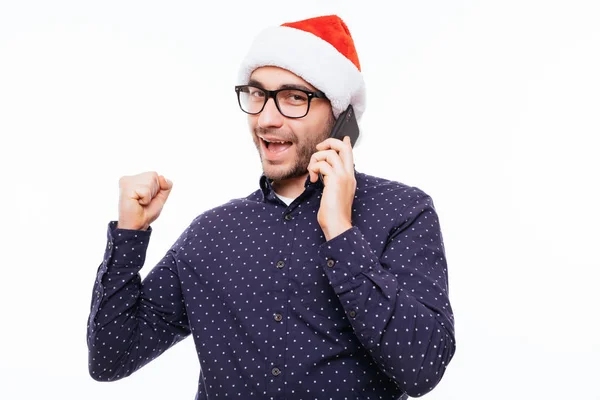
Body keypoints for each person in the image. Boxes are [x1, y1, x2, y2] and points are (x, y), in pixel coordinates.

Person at [87, 14, 456, 399]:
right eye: (258, 94)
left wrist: (341, 232)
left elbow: (422, 369)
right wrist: (130, 235)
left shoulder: (402, 212)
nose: (266, 118)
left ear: (340, 115)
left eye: (294, 98)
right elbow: (111, 358)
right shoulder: (211, 233)